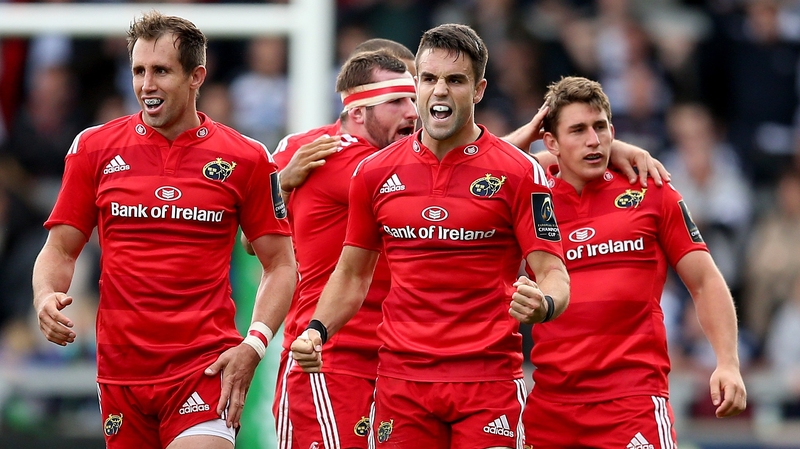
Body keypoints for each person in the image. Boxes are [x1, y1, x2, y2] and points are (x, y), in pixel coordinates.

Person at [291, 23, 570, 449]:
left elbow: (553, 271)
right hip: (402, 385)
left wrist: (545, 303)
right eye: (429, 79)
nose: (439, 91)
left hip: (487, 384)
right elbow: (351, 275)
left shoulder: (520, 173)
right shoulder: (374, 173)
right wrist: (316, 330)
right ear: (417, 83)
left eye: (455, 80)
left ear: (478, 90)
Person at [31, 11, 296, 449]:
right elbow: (59, 250)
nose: (146, 85)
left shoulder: (247, 157)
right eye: (138, 71)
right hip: (120, 372)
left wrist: (254, 345)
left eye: (161, 71)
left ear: (196, 76)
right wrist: (44, 296)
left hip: (204, 367)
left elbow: (281, 265)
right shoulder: (93, 148)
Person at [513, 76, 747, 449]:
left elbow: (704, 281)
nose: (594, 140)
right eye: (578, 130)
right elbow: (473, 175)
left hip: (632, 402)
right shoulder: (529, 196)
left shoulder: (650, 188)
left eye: (601, 128)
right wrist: (525, 141)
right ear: (551, 142)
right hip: (550, 408)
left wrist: (728, 362)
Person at [260, 38, 417, 449]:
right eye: (398, 99)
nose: (414, 113)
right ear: (359, 107)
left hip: (397, 358)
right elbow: (249, 242)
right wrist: (281, 184)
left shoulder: (396, 158)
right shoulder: (321, 153)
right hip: (329, 358)